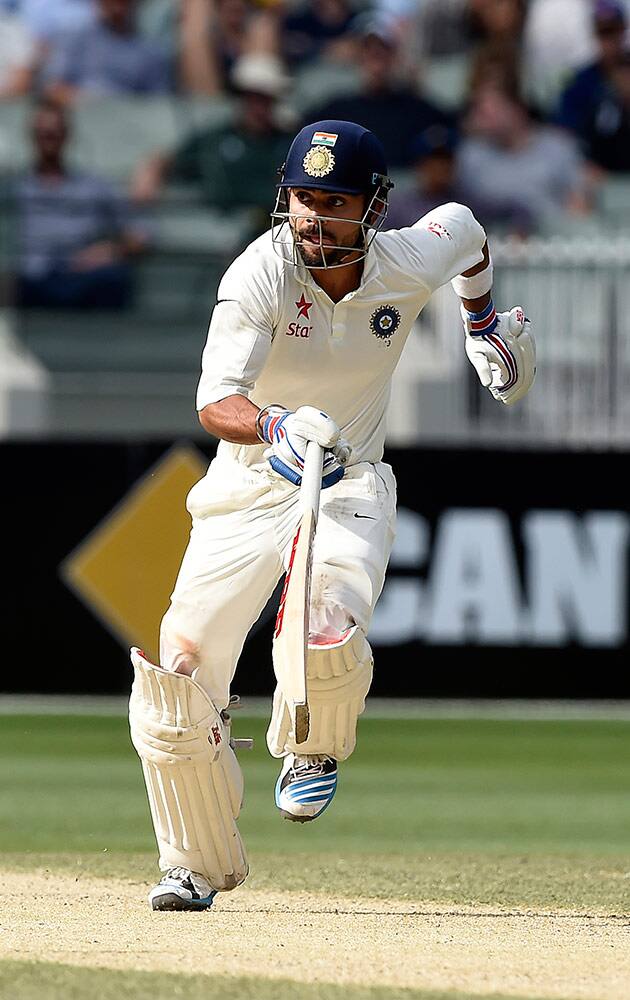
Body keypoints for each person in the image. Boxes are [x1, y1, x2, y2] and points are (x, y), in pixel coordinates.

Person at [128, 118, 536, 912]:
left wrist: (482, 323)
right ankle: (192, 865)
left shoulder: (409, 256)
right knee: (177, 670)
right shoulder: (260, 275)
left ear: (372, 206)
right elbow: (215, 401)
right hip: (250, 483)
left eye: (335, 200)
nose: (315, 216)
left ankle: (312, 748)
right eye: (304, 197)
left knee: (326, 618)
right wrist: (278, 424)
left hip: (350, 478)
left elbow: (471, 236)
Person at [14, 99, 149, 309]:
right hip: (27, 281)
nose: (49, 140)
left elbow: (141, 232)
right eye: (43, 134)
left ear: (67, 136)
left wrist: (112, 250)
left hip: (81, 277)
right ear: (32, 136)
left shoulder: (93, 187)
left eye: (55, 134)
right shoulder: (12, 189)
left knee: (114, 278)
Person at [43, 0, 170, 103]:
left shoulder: (151, 53)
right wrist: (87, 101)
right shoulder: (74, 37)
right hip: (78, 124)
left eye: (123, 2)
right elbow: (53, 89)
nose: (117, 7)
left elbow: (158, 105)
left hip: (129, 126)